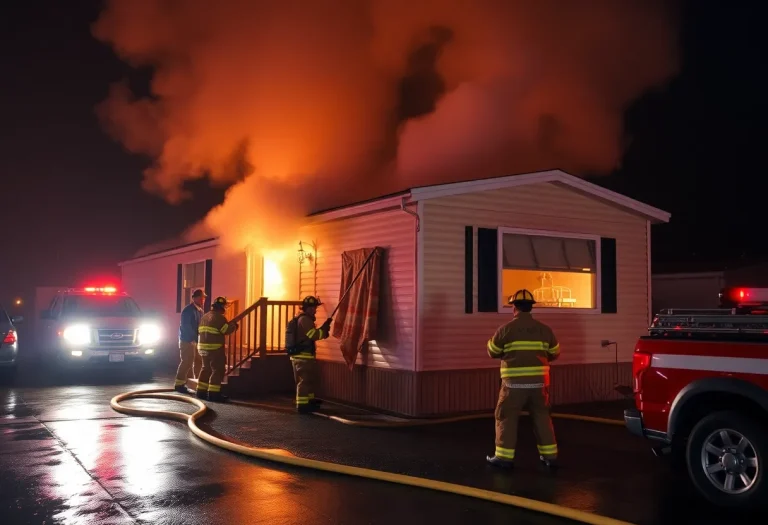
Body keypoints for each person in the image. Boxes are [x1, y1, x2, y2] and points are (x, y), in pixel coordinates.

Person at [486, 289, 560, 469]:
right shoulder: (545, 329)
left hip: (513, 385)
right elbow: (555, 353)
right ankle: (549, 456)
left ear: (514, 308)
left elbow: (492, 352)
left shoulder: (506, 330)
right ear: (531, 308)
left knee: (506, 417)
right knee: (542, 417)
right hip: (539, 384)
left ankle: (504, 458)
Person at [285, 296, 332, 414]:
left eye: (314, 307)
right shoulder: (305, 320)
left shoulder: (304, 319)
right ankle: (302, 405)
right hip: (302, 356)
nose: (313, 310)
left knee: (309, 380)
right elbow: (313, 335)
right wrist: (324, 330)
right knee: (304, 381)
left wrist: (323, 329)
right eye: (311, 307)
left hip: (304, 356)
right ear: (305, 308)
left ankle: (309, 401)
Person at [196, 296, 238, 402]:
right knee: (218, 369)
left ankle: (201, 392)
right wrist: (234, 326)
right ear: (221, 308)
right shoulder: (219, 317)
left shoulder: (205, 316)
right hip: (215, 348)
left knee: (206, 368)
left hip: (202, 347)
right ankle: (214, 394)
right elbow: (225, 330)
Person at [174, 288, 206, 394]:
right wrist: (194, 338)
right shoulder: (188, 310)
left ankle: (198, 383)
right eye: (201, 298)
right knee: (187, 361)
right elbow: (186, 326)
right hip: (187, 340)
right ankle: (179, 384)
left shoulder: (200, 310)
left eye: (203, 298)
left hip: (196, 341)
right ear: (195, 298)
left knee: (199, 361)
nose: (203, 300)